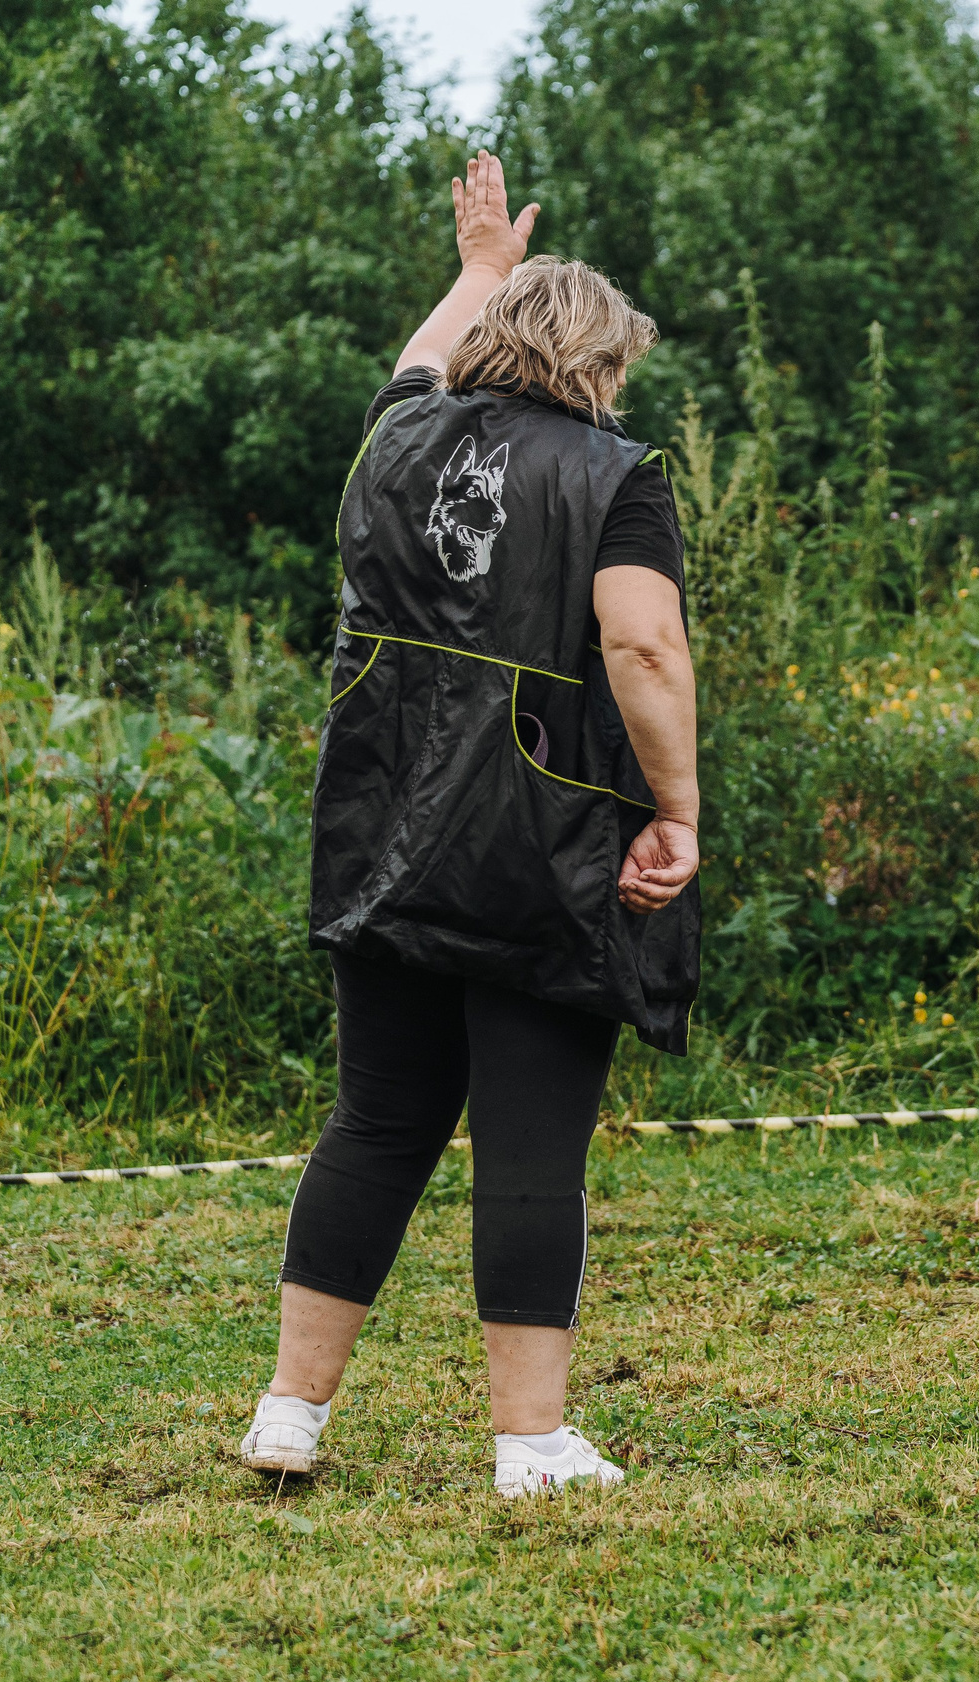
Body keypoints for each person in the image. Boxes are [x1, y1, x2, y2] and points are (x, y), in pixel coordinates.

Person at [235, 152, 701, 1498]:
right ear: (601, 366)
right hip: (541, 846)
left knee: (376, 1123)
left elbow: (416, 360)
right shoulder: (617, 476)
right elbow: (644, 646)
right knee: (532, 1138)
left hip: (379, 830)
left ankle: (288, 1415)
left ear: (498, 343)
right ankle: (529, 1445)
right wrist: (674, 809)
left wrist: (479, 270)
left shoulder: (399, 441)